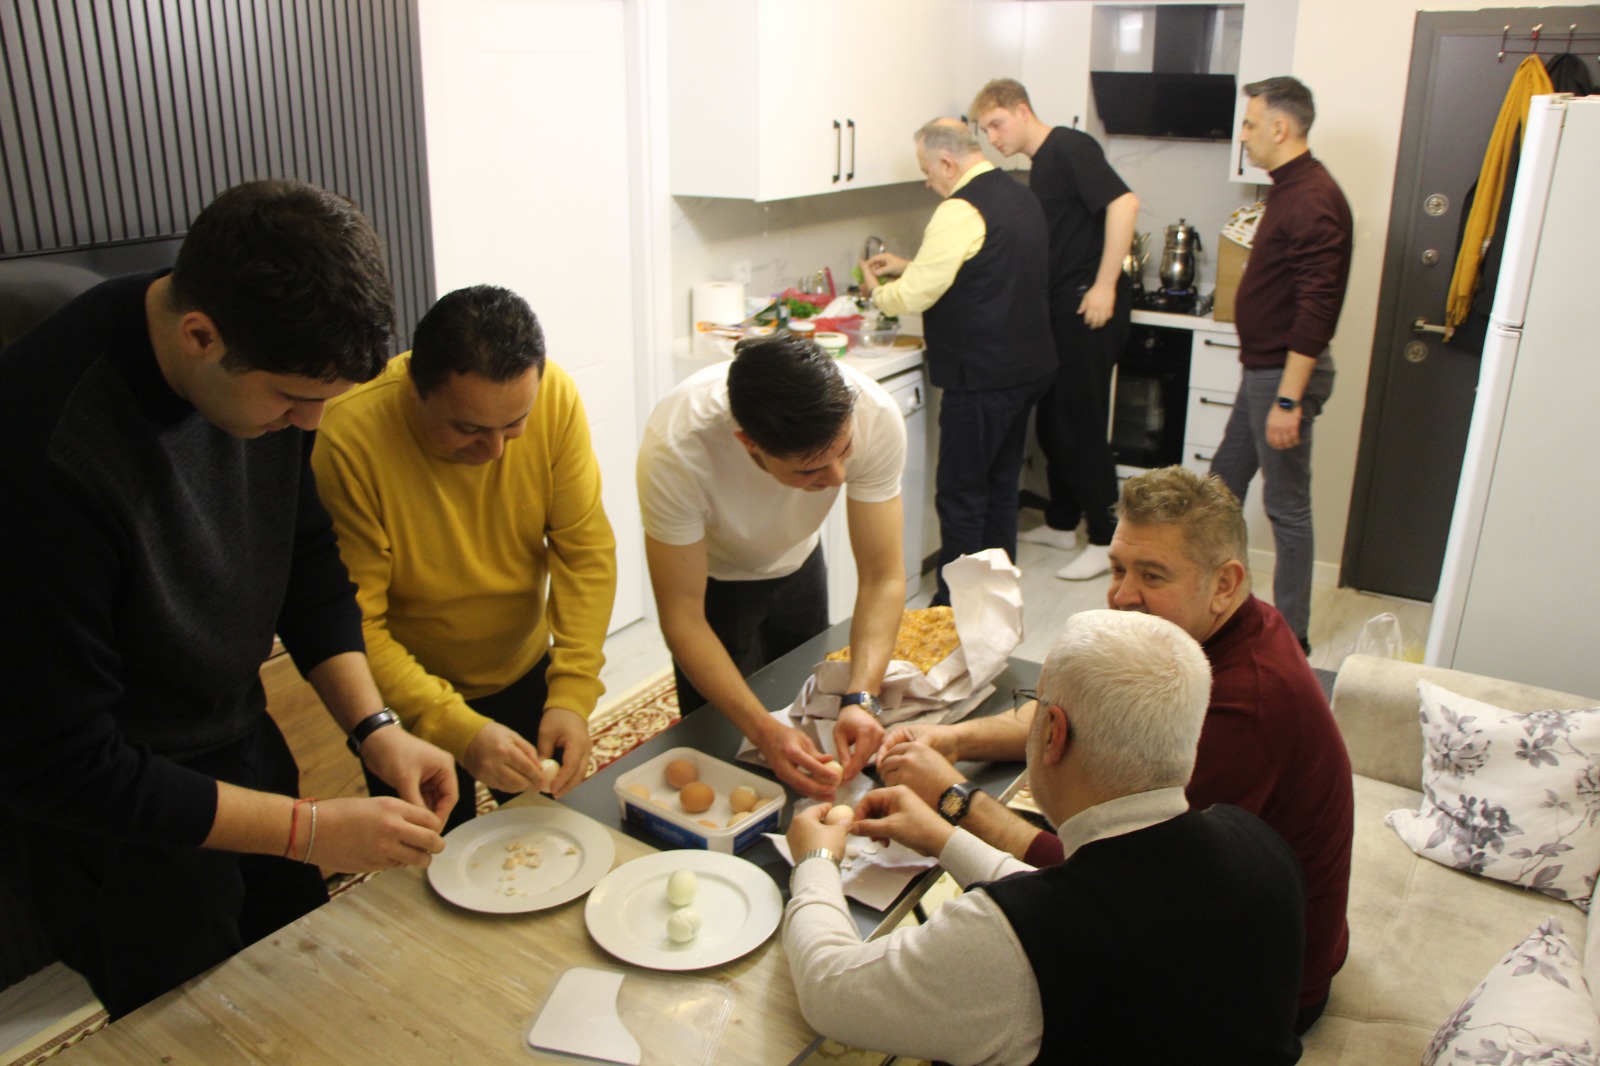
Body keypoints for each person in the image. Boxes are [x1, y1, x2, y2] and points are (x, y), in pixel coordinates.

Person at [0, 180, 459, 1018]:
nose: (310, 425)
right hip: (120, 817)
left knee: (294, 976)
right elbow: (62, 765)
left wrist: (375, 728)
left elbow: (305, 560)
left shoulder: (265, 370)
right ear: (200, 337)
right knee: (199, 1025)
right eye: (293, 399)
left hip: (240, 738)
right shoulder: (47, 449)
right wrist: (308, 828)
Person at [874, 465, 1353, 1032]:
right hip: (1208, 911)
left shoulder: (1245, 708)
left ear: (1225, 583)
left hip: (1256, 990)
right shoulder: (1228, 626)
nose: (1123, 596)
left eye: (1152, 575)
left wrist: (955, 801)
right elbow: (1082, 708)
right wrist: (955, 737)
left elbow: (1110, 883)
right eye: (1118, 568)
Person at [786, 609, 1306, 1064]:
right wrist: (945, 839)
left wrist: (815, 858)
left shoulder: (1008, 944)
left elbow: (828, 990)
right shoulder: (1260, 845)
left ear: (1053, 732)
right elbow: (1084, 901)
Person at [312, 285, 616, 831]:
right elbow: (356, 624)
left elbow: (584, 551)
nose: (495, 451)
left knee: (549, 840)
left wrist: (571, 694)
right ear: (415, 387)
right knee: (430, 856)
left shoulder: (553, 395)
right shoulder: (348, 435)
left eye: (514, 424)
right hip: (406, 691)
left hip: (525, 667)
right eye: (469, 429)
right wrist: (456, 729)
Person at [637, 333, 905, 800]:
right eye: (809, 470)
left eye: (844, 452)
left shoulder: (874, 414)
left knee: (807, 713)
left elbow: (882, 577)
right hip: (715, 584)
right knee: (723, 752)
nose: (837, 478)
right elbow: (683, 618)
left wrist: (862, 698)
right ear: (748, 443)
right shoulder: (676, 449)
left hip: (800, 561)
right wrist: (763, 732)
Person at [861, 119, 1056, 606]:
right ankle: (994, 598)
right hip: (1026, 367)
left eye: (927, 171)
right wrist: (911, 266)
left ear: (948, 163)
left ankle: (953, 608)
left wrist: (876, 293)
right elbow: (987, 266)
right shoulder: (1019, 194)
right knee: (999, 489)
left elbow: (916, 294)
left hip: (983, 375)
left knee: (962, 494)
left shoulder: (960, 208)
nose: (928, 182)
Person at [970, 77, 1140, 582]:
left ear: (1022, 111)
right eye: (984, 131)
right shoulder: (1043, 163)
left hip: (1090, 308)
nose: (993, 138)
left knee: (1080, 424)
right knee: (1053, 423)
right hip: (1065, 311)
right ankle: (1063, 522)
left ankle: (1107, 539)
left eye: (997, 124)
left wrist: (1105, 285)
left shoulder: (1068, 146)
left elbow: (1124, 204)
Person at [1210, 75, 1353, 653]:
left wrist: (1289, 400)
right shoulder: (1290, 189)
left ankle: (1291, 641)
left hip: (1282, 378)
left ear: (1280, 126)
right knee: (1220, 488)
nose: (1243, 136)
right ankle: (1217, 608)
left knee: (1287, 507)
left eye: (1249, 124)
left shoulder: (1313, 197)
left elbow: (1318, 309)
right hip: (1263, 372)